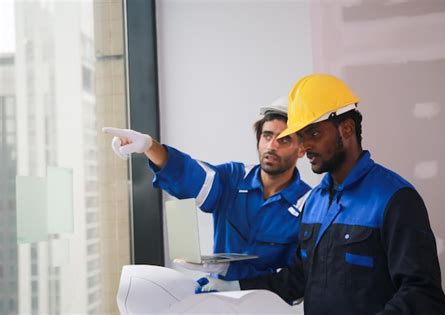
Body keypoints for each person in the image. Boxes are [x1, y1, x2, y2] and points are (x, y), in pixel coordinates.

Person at [195, 74, 445, 314]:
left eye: (314, 134)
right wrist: (235, 288)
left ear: (346, 129)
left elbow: (423, 295)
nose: (305, 146)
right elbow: (297, 278)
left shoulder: (394, 199)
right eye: (301, 137)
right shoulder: (314, 202)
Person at [103, 97, 311, 281]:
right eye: (266, 136)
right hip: (218, 302)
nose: (271, 146)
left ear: (302, 149)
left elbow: (295, 277)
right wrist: (149, 146)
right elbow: (188, 175)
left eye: (284, 139)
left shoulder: (309, 205)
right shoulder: (233, 178)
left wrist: (239, 282)